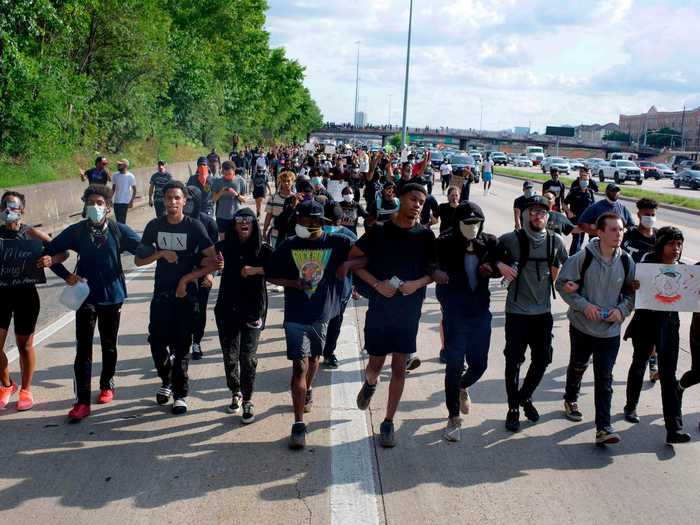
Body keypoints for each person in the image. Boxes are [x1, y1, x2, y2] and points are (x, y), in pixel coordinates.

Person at [352, 183, 438, 448]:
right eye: (413, 199)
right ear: (400, 199)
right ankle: (370, 383)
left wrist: (419, 283)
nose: (417, 205)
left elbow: (434, 271)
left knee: (400, 366)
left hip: (409, 310)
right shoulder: (378, 231)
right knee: (375, 365)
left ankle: (388, 422)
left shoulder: (425, 236)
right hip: (381, 307)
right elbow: (354, 261)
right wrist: (378, 285)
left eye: (421, 202)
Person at [45, 185, 141, 421]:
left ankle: (107, 383)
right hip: (85, 296)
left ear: (108, 207)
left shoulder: (119, 230)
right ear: (85, 206)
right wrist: (66, 275)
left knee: (109, 345)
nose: (95, 207)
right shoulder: (77, 231)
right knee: (83, 349)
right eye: (91, 203)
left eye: (100, 203)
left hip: (112, 296)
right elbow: (50, 251)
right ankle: (81, 402)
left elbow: (144, 249)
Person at [265, 200, 353, 449]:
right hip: (295, 315)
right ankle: (298, 424)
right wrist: (294, 284)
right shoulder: (288, 245)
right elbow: (270, 274)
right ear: (298, 221)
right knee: (298, 367)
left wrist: (347, 265)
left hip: (322, 315)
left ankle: (310, 389)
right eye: (306, 221)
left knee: (314, 360)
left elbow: (366, 256)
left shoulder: (338, 242)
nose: (311, 225)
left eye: (316, 221)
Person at [135, 181, 219, 415]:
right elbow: (138, 261)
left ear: (184, 201)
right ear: (163, 200)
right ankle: (167, 380)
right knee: (157, 342)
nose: (172, 202)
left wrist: (187, 279)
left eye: (177, 198)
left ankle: (180, 395)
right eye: (168, 198)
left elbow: (213, 260)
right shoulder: (154, 226)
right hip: (161, 293)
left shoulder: (194, 227)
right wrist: (160, 253)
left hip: (186, 294)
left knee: (181, 346)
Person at [557, 212, 635, 445]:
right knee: (578, 366)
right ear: (599, 233)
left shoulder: (626, 261)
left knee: (604, 378)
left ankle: (604, 427)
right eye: (612, 230)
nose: (618, 234)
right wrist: (583, 306)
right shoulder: (583, 258)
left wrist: (622, 311)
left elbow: (631, 294)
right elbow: (561, 284)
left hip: (609, 331)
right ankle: (571, 398)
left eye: (621, 230)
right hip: (582, 327)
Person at [496, 195, 568, 432]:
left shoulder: (555, 241)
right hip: (516, 312)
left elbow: (567, 268)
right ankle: (513, 408)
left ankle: (524, 397)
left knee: (543, 358)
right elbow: (488, 253)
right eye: (534, 212)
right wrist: (499, 266)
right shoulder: (510, 240)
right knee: (514, 361)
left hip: (542, 312)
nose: (539, 216)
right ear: (525, 214)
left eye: (543, 213)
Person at [0, 192, 71, 411]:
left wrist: (51, 259)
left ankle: (26, 390)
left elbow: (63, 252)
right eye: (5, 206)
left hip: (25, 295)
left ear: (22, 209)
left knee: (24, 345)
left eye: (14, 206)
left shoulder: (31, 233)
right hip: (1, 295)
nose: (9, 210)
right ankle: (6, 385)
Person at [436, 202, 500, 442]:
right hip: (454, 313)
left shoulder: (490, 242)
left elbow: (501, 263)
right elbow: (431, 265)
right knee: (453, 364)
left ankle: (463, 386)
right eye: (468, 224)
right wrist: (438, 275)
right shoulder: (444, 243)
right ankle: (453, 417)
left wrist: (492, 269)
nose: (472, 228)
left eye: (476, 223)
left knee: (480, 364)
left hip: (480, 312)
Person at [621, 227, 689, 444]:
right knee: (639, 363)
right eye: (672, 244)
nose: (676, 249)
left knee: (668, 375)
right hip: (646, 321)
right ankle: (630, 406)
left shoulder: (684, 269)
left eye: (679, 244)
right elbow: (629, 287)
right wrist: (633, 285)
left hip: (670, 324)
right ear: (661, 244)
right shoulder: (646, 263)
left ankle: (674, 429)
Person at [215, 208, 271, 423]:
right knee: (230, 358)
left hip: (253, 310)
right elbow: (202, 257)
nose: (244, 223)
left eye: (248, 220)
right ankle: (235, 392)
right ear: (234, 225)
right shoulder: (223, 247)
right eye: (239, 220)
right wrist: (212, 269)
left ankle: (248, 399)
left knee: (247, 358)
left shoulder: (263, 249)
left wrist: (256, 270)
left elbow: (279, 269)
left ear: (254, 225)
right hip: (227, 309)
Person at [621, 198, 660, 382]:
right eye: (646, 214)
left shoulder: (660, 238)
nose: (649, 218)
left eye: (652, 215)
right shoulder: (627, 236)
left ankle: (653, 361)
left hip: (648, 293)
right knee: (613, 320)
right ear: (638, 215)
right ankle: (597, 347)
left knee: (650, 330)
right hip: (624, 288)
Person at [321, 204, 358, 369]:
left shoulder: (349, 237)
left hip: (340, 290)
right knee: (327, 322)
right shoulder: (313, 234)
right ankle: (323, 353)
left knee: (333, 322)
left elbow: (363, 259)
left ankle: (328, 352)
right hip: (319, 288)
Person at [184, 186, 219, 361]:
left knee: (199, 310)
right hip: (178, 274)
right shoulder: (170, 222)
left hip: (202, 273)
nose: (186, 204)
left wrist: (210, 274)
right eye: (185, 199)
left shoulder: (208, 223)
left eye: (191, 200)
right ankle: (178, 344)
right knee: (180, 310)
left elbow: (215, 254)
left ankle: (196, 341)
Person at [563, 168, 595, 254]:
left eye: (586, 179)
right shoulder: (574, 191)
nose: (585, 181)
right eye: (583, 179)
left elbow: (593, 207)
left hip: (585, 221)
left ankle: (577, 255)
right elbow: (564, 203)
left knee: (581, 239)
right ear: (580, 180)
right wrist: (568, 212)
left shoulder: (590, 192)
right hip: (575, 219)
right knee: (576, 238)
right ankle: (572, 257)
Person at [211, 161, 247, 239]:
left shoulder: (240, 181)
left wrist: (236, 194)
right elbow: (213, 199)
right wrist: (221, 192)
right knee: (223, 242)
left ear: (234, 171)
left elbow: (244, 200)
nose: (227, 177)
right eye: (225, 174)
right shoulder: (217, 181)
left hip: (236, 216)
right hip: (221, 216)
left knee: (235, 241)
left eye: (229, 174)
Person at [263, 170, 296, 249]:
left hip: (291, 234)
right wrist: (264, 230)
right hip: (276, 233)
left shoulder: (296, 198)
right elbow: (269, 216)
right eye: (284, 181)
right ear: (280, 182)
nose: (286, 183)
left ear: (292, 182)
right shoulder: (273, 198)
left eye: (288, 181)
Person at [111, 159, 136, 224]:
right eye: (118, 164)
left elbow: (134, 190)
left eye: (120, 165)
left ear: (125, 166)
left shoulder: (130, 176)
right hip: (116, 201)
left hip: (125, 202)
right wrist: (109, 199)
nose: (118, 166)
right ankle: (120, 233)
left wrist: (131, 201)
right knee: (118, 220)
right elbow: (113, 188)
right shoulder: (115, 175)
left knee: (122, 220)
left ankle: (122, 233)